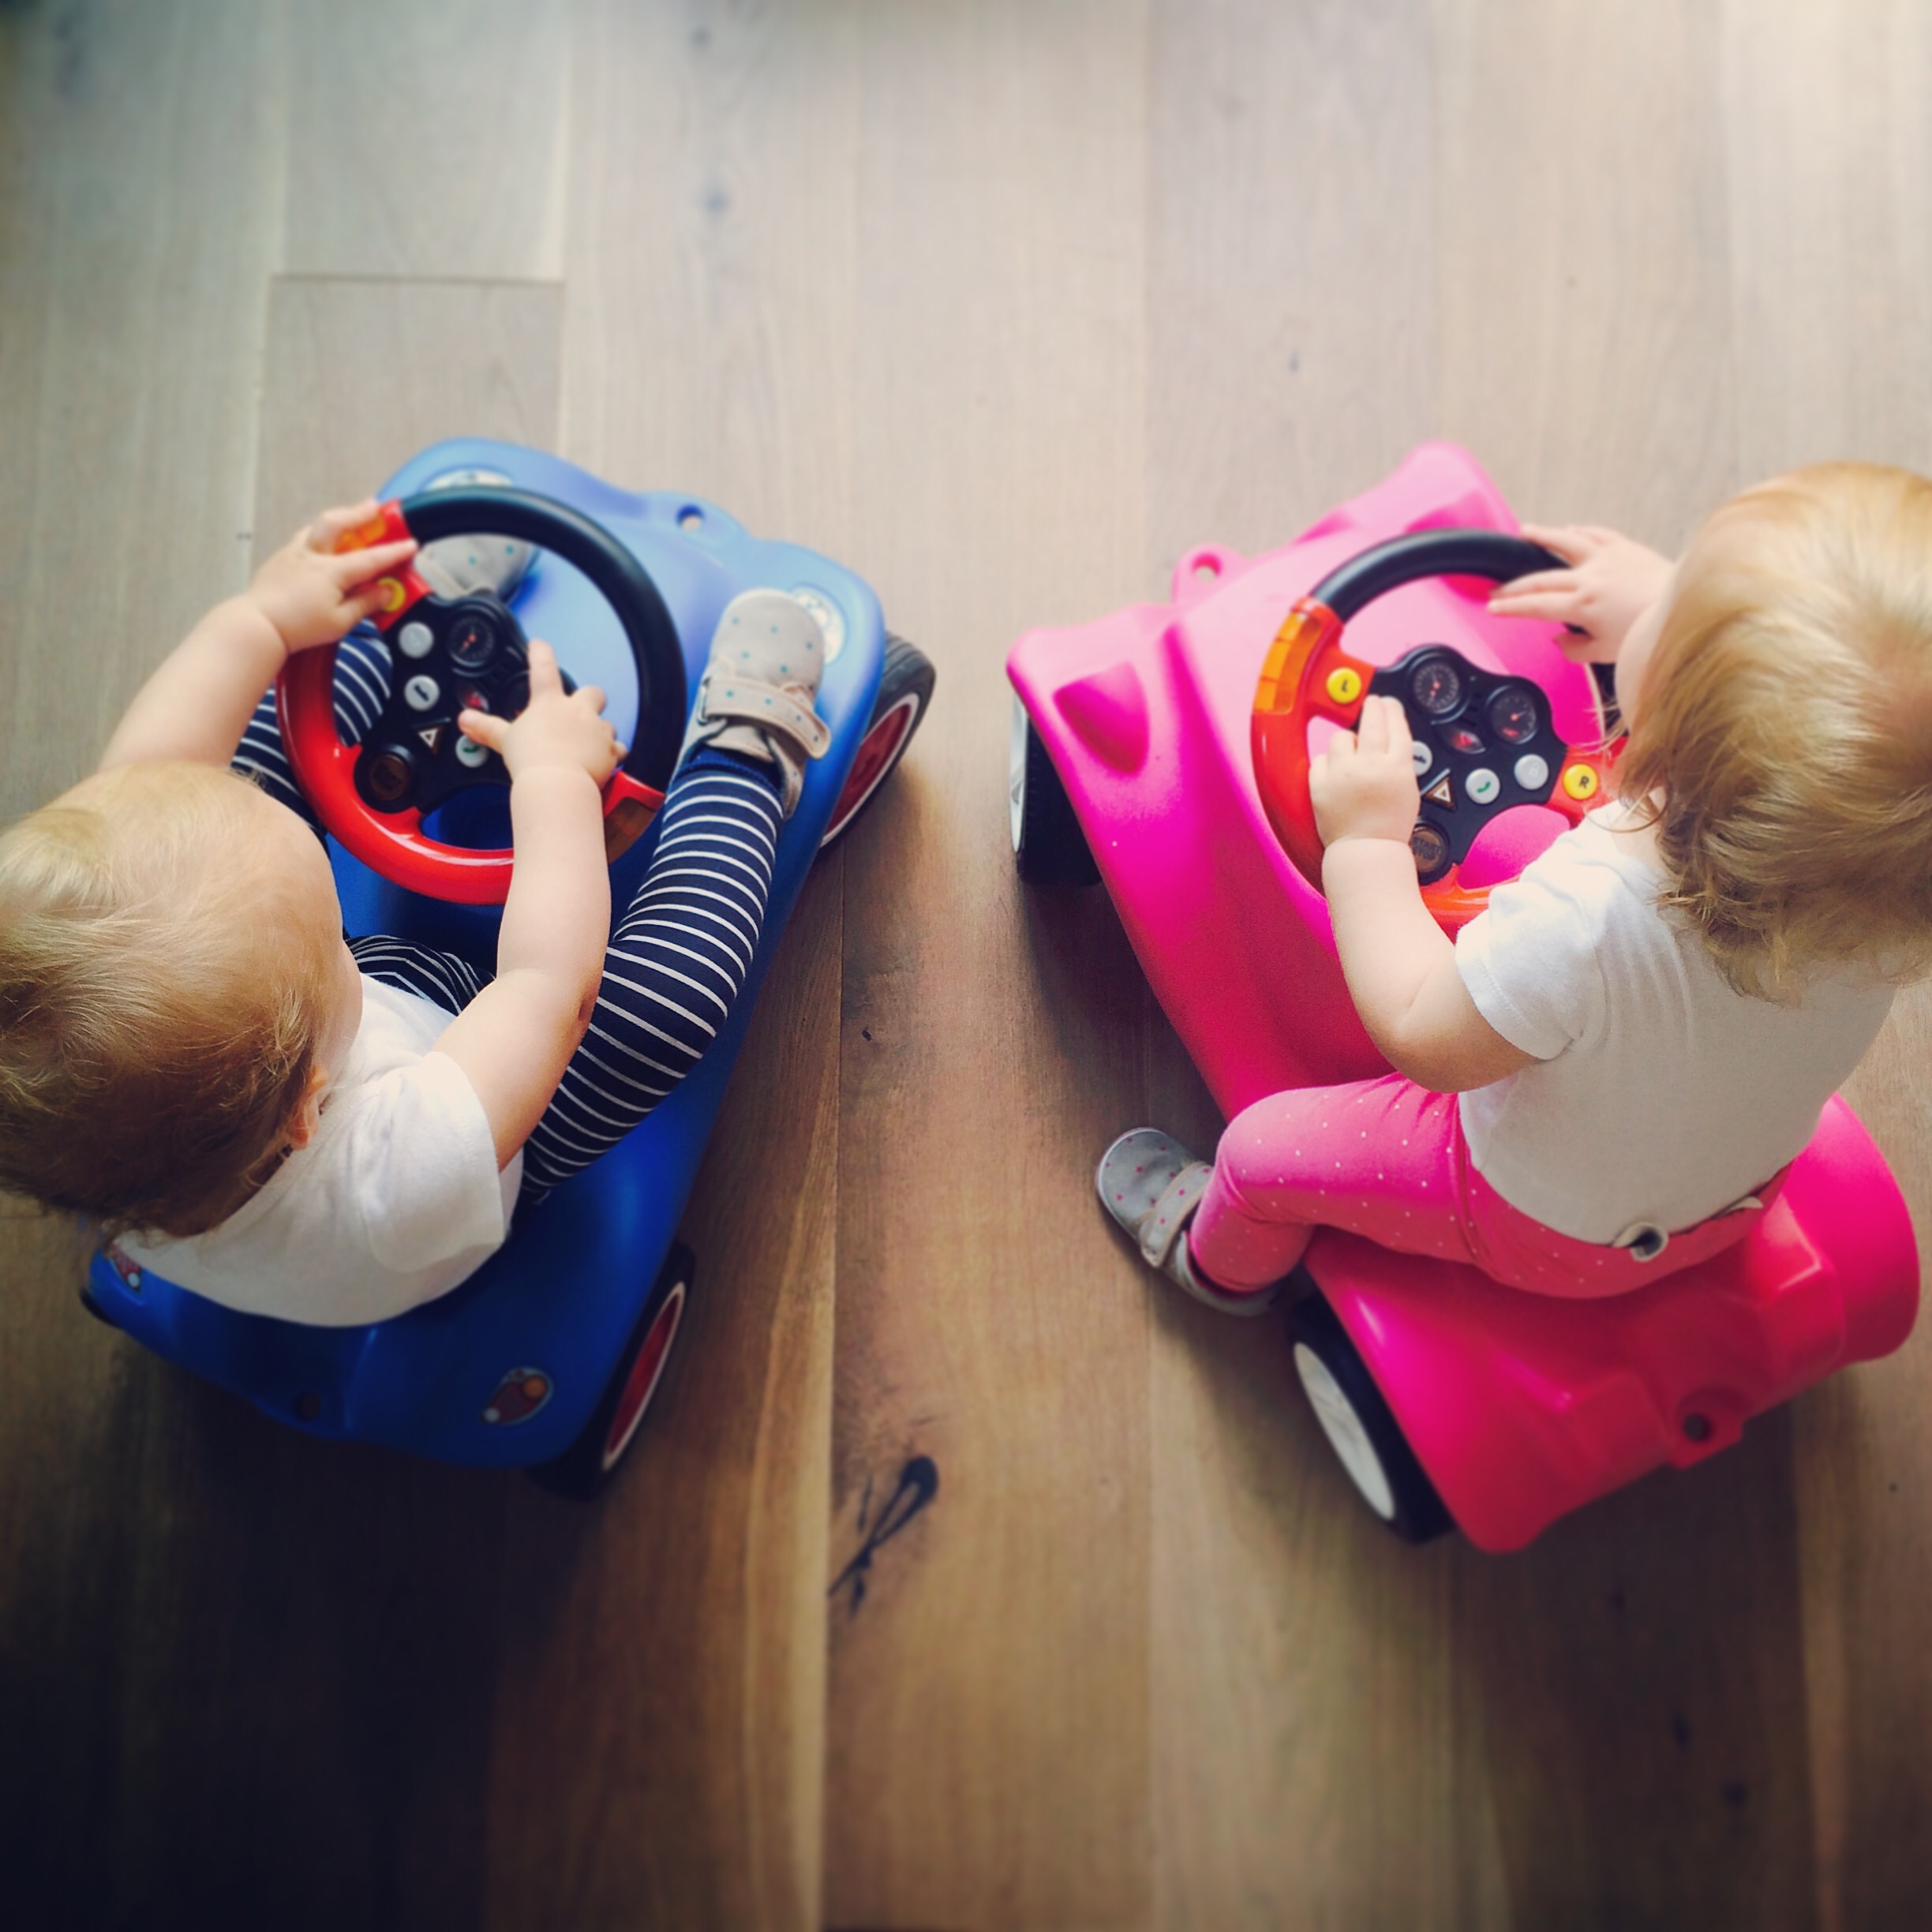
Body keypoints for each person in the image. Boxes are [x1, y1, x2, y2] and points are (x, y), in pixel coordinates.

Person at [1100, 463, 1932, 1309]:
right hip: (1736, 1196)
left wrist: (1368, 842)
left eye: (1679, 607)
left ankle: (1220, 1263)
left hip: (1541, 1226)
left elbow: (1420, 1032)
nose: (1663, 590)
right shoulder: (1886, 891)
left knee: (1256, 1152)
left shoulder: (1584, 919)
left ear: (1669, 743)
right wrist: (1665, 621)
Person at [0, 496, 829, 1327]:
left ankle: (406, 620)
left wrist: (261, 621)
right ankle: (741, 765)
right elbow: (548, 987)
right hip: (494, 1120)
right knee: (669, 1006)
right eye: (332, 937)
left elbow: (150, 777)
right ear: (310, 1104)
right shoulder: (392, 1183)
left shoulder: (96, 1151)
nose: (346, 937)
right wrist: (555, 780)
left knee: (199, 799)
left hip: (286, 1030)